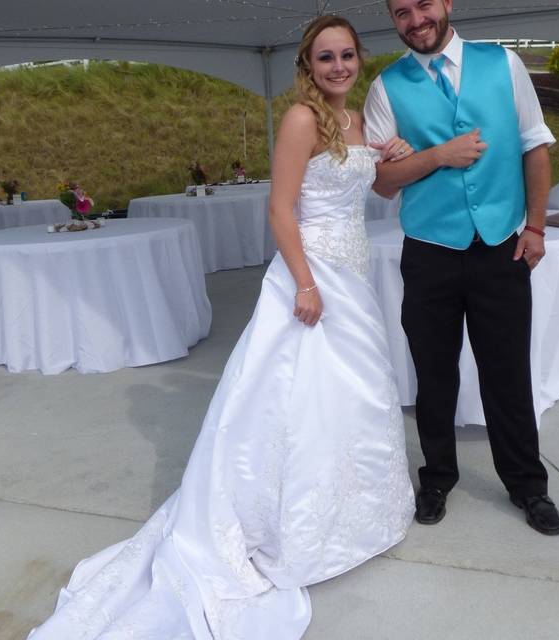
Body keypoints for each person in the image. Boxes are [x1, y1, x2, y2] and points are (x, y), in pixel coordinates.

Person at [27, 15, 416, 640]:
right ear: (307, 66)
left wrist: (393, 154)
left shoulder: (363, 120)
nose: (338, 66)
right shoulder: (300, 120)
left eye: (346, 55)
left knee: (351, 398)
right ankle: (287, 526)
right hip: (312, 275)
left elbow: (380, 193)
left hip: (354, 275)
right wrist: (307, 284)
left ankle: (355, 517)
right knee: (295, 400)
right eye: (325, 58)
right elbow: (279, 208)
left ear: (359, 59)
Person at [363, 0, 559, 535]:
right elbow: (382, 183)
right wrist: (436, 156)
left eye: (423, 5)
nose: (415, 20)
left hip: (500, 245)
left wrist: (536, 227)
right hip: (429, 251)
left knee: (507, 372)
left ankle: (528, 485)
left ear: (447, 3)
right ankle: (436, 478)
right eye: (401, 12)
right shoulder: (386, 88)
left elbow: (535, 147)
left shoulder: (504, 65)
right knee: (433, 374)